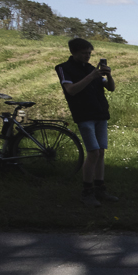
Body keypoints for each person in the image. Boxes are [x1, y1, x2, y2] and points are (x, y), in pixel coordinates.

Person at [55, 37, 116, 207]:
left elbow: (110, 88)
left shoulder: (91, 69)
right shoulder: (64, 68)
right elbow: (71, 90)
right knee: (94, 153)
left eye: (89, 53)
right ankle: (87, 191)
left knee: (101, 152)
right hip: (84, 115)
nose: (87, 57)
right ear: (73, 52)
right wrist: (91, 77)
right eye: (83, 53)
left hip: (100, 114)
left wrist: (108, 75)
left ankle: (100, 188)